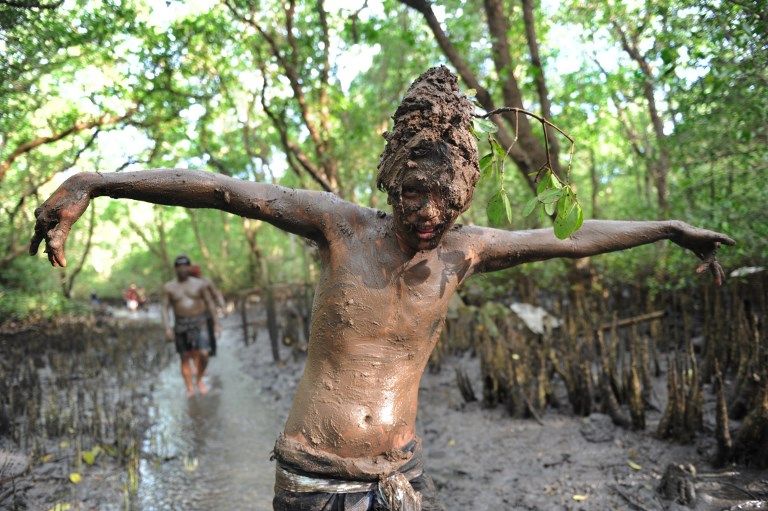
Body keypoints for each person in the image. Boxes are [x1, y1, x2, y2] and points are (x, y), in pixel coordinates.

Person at [29, 66, 733, 510]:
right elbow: (223, 189)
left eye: (444, 198)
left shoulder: (466, 250)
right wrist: (97, 181)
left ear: (464, 192)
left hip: (402, 478)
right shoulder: (340, 227)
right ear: (394, 177)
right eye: (414, 193)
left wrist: (671, 226)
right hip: (311, 474)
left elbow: (572, 235)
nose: (428, 213)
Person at [162, 254, 220, 398]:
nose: (182, 269)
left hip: (199, 323)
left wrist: (217, 323)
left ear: (189, 267)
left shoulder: (199, 284)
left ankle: (199, 379)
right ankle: (189, 387)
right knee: (184, 357)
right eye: (179, 266)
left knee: (204, 354)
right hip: (181, 325)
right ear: (175, 269)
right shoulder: (169, 287)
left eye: (185, 266)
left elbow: (210, 303)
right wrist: (167, 328)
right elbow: (164, 308)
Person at [189, 264, 224, 357]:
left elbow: (216, 293)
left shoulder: (206, 281)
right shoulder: (189, 283)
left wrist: (222, 305)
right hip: (195, 311)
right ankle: (198, 350)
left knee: (210, 330)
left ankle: (213, 350)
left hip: (208, 310)